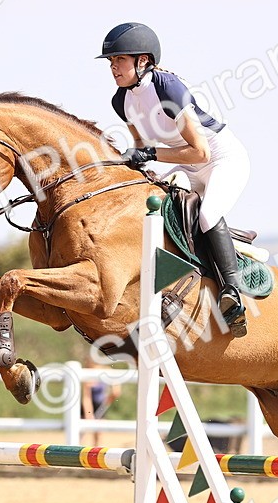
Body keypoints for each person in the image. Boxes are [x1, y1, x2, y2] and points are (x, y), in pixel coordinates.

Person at [97, 22, 252, 335]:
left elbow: (199, 152)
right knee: (144, 204)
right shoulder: (121, 101)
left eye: (120, 60)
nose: (114, 67)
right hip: (182, 163)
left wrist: (152, 154)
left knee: (208, 214)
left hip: (220, 158)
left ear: (143, 61)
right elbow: (143, 149)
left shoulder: (168, 88)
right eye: (111, 62)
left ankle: (232, 294)